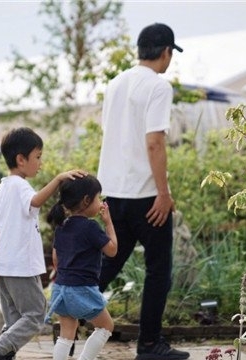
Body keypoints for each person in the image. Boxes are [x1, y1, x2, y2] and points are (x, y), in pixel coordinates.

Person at [96, 23, 190, 360]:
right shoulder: (158, 87)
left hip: (112, 193)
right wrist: (163, 193)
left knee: (107, 264)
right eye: (170, 54)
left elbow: (114, 135)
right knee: (158, 269)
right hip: (145, 197)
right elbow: (154, 142)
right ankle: (149, 345)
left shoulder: (115, 84)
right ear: (166, 51)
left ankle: (65, 316)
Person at [0, 127, 86, 360]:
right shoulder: (20, 186)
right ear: (21, 159)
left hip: (6, 266)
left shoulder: (2, 188)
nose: (40, 163)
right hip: (20, 265)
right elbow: (36, 200)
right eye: (37, 157)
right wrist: (58, 179)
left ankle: (1, 354)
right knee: (36, 314)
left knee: (15, 321)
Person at [44, 175, 118, 360]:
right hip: (82, 290)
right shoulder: (91, 227)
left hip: (61, 288)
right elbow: (112, 250)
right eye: (98, 198)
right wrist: (108, 223)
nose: (100, 202)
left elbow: (56, 258)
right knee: (106, 326)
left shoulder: (61, 226)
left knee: (66, 334)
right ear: (86, 200)